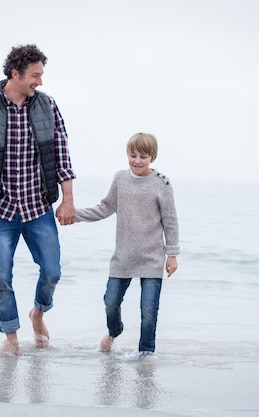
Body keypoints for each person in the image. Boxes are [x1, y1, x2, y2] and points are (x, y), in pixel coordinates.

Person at [0, 44, 76, 356]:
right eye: (35, 76)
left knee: (52, 272)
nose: (40, 82)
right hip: (1, 210)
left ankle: (38, 313)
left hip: (38, 207)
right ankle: (11, 339)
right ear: (15, 73)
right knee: (2, 277)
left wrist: (68, 200)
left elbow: (62, 153)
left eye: (41, 75)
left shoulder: (47, 106)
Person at [75, 132, 179, 355]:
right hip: (123, 257)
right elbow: (105, 207)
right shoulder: (120, 179)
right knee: (110, 302)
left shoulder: (162, 183)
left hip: (152, 258)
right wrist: (76, 215)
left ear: (152, 157)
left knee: (148, 310)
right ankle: (114, 331)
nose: (137, 160)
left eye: (143, 156)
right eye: (133, 155)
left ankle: (146, 354)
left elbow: (170, 221)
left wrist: (172, 254)